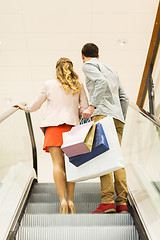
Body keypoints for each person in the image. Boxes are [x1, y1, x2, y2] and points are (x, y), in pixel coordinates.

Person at [16, 58, 89, 214]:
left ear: (57, 69)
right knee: (71, 166)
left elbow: (35, 105)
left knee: (57, 165)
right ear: (71, 68)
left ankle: (62, 200)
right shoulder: (78, 85)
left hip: (53, 129)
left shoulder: (48, 84)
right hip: (72, 130)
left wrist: (25, 108)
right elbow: (84, 110)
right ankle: (71, 200)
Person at [81, 43, 129, 214]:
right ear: (98, 55)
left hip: (102, 116)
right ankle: (122, 202)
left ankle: (108, 201)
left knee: (104, 157)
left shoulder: (88, 65)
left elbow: (100, 82)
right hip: (118, 117)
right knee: (117, 159)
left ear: (82, 55)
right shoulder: (112, 70)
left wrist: (92, 106)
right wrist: (120, 116)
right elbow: (125, 97)